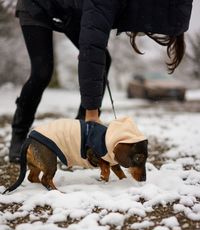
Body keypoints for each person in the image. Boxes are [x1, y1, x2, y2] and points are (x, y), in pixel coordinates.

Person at [9, 0, 193, 163]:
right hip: (37, 6)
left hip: (71, 12)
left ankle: (80, 136)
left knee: (104, 59)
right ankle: (18, 135)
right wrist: (92, 113)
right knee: (42, 72)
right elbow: (91, 51)